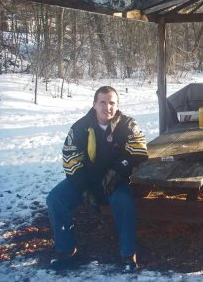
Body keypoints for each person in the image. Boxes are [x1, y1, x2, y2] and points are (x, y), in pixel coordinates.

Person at [46, 86, 149, 272]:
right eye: (103, 102)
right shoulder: (79, 127)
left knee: (124, 202)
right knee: (55, 198)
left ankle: (128, 255)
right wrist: (83, 188)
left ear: (117, 106)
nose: (107, 107)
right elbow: (70, 159)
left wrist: (117, 171)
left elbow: (139, 150)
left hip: (114, 183)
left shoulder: (128, 125)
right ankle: (66, 250)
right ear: (94, 104)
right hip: (85, 181)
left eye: (112, 103)